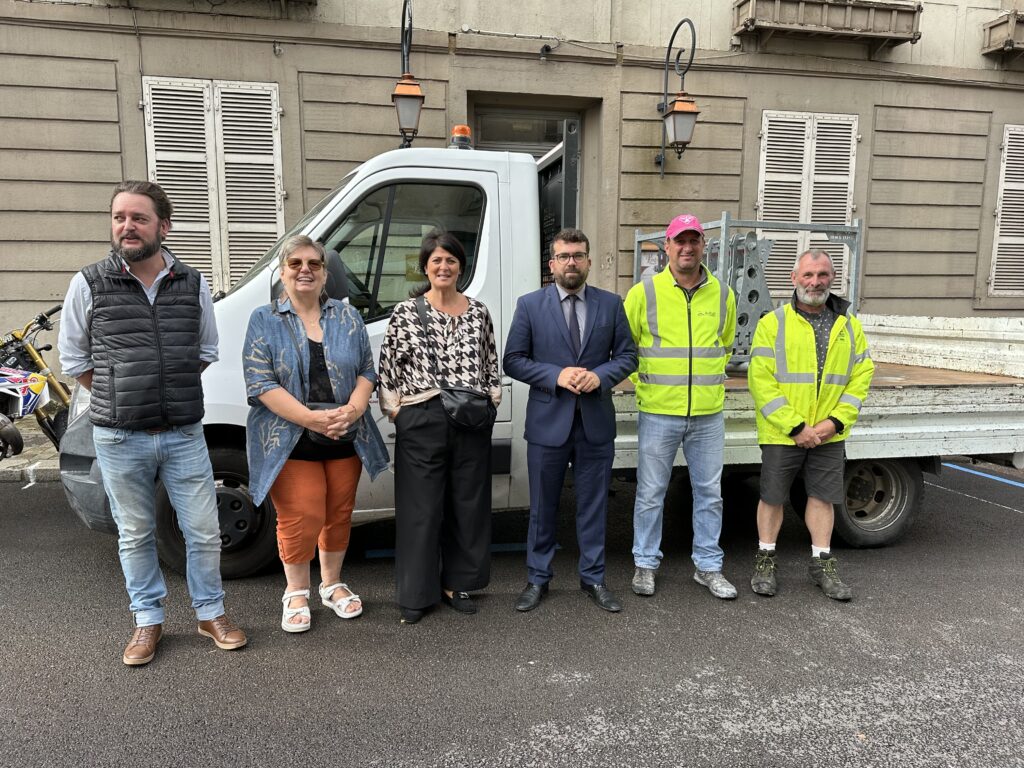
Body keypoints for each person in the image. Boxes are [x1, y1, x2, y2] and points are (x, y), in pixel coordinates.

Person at [58, 180, 246, 666]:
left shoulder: (192, 283)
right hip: (119, 437)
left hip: (183, 433)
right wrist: (120, 393)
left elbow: (205, 350)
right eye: (120, 217)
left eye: (139, 218)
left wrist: (168, 389)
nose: (127, 227)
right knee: (136, 534)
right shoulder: (89, 283)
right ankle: (147, 620)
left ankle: (210, 613)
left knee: (203, 531)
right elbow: (73, 358)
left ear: (164, 226)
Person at [243, 235, 389, 632]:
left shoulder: (348, 317)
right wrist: (311, 419)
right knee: (302, 514)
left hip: (345, 430)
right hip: (288, 436)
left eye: (314, 264)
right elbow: (259, 382)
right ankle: (295, 591)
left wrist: (354, 409)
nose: (305, 270)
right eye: (295, 263)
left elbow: (367, 370)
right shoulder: (263, 319)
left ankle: (332, 584)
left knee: (338, 513)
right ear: (283, 271)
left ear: (325, 273)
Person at [503, 228, 637, 613]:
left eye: (578, 255)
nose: (571, 263)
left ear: (589, 261)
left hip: (595, 423)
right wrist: (555, 375)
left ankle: (593, 578)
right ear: (552, 264)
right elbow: (513, 360)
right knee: (542, 508)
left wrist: (601, 376)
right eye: (564, 256)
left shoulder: (611, 304)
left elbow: (628, 356)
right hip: (548, 422)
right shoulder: (530, 305)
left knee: (593, 507)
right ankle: (537, 578)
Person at [377, 231, 500, 624]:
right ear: (425, 267)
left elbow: (490, 363)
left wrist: (491, 400)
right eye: (436, 261)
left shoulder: (479, 312)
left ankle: (457, 584)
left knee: (467, 505)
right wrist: (398, 412)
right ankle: (417, 593)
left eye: (451, 260)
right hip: (421, 416)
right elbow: (388, 368)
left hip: (471, 418)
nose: (444, 267)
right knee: (421, 509)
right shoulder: (405, 313)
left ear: (460, 267)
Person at [747, 249, 874, 601]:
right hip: (783, 432)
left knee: (822, 497)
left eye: (822, 275)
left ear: (832, 278)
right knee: (772, 496)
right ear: (794, 278)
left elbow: (861, 377)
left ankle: (821, 564)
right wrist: (795, 427)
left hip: (828, 433)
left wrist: (836, 421)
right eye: (808, 275)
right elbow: (761, 380)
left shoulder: (849, 325)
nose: (815, 282)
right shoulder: (773, 323)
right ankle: (765, 559)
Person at [624, 214, 738, 600]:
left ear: (704, 245)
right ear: (667, 246)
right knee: (650, 493)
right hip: (659, 411)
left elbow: (724, 344)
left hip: (707, 413)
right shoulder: (644, 293)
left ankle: (708, 566)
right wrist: (646, 383)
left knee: (709, 494)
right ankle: (645, 564)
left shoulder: (723, 294)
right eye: (680, 241)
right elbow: (627, 346)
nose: (687, 248)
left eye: (694, 240)